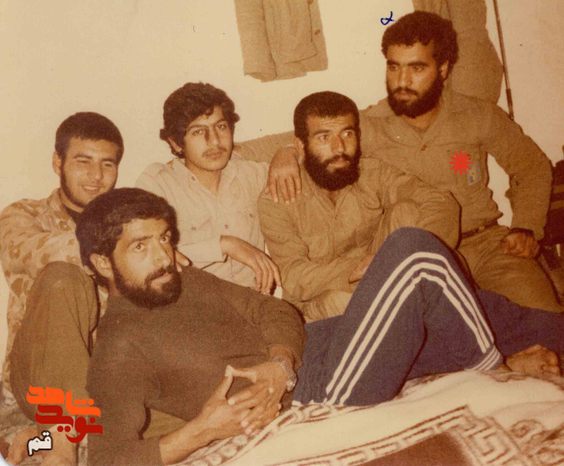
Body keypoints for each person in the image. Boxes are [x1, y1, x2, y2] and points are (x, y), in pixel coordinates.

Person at [78, 188, 561, 466]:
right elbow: (105, 459)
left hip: (311, 352)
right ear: (102, 262)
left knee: (473, 304)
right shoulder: (120, 346)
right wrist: (202, 432)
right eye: (141, 247)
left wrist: (279, 362)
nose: (164, 256)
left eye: (164, 239)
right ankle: (494, 372)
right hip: (321, 391)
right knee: (412, 253)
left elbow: (274, 312)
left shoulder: (184, 280)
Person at [239, 11, 562, 313]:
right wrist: (286, 152)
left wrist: (526, 227)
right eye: (394, 67)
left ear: (443, 69)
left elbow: (531, 166)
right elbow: (309, 138)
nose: (402, 80)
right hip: (419, 260)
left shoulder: (478, 115)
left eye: (416, 68)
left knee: (545, 320)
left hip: (489, 245)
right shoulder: (370, 125)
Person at [258, 91, 459, 320]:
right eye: (324, 138)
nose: (339, 148)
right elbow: (294, 276)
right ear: (300, 146)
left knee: (408, 211)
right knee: (342, 302)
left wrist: (410, 256)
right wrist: (362, 268)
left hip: (385, 276)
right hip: (320, 300)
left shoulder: (372, 173)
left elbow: (440, 202)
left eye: (347, 134)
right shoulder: (277, 198)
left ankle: (410, 308)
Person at [0, 112, 123, 465]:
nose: (96, 176)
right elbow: (25, 250)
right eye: (83, 162)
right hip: (36, 382)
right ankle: (60, 441)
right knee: (62, 277)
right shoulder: (24, 214)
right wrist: (125, 244)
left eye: (107, 164)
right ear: (58, 163)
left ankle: (42, 441)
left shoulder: (129, 224)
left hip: (107, 381)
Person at [137, 82, 280, 294]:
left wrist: (287, 153)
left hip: (253, 301)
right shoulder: (158, 185)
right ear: (176, 143)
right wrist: (224, 245)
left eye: (221, 127)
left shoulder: (250, 174)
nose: (214, 141)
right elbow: (144, 253)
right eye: (198, 132)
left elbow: (303, 138)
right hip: (192, 306)